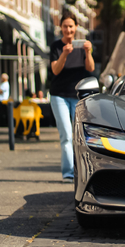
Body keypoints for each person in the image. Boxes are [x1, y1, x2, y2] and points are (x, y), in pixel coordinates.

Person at [50, 12, 94, 182]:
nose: (68, 29)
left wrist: (88, 52)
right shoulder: (56, 47)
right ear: (61, 28)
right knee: (67, 135)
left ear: (76, 28)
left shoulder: (82, 46)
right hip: (59, 96)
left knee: (80, 134)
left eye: (71, 26)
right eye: (65, 26)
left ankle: (82, 170)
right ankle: (68, 172)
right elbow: (55, 70)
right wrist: (64, 54)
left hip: (77, 96)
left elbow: (89, 68)